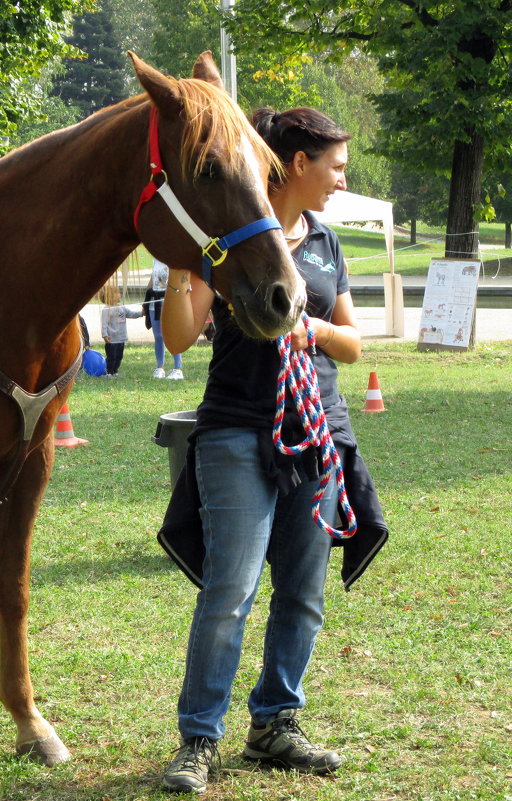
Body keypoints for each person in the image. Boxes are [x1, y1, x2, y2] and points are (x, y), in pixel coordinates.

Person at [158, 107, 387, 793]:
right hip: (235, 425)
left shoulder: (325, 244)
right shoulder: (226, 240)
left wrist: (307, 326)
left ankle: (275, 721)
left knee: (303, 591)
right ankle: (199, 735)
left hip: (317, 427)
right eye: (335, 167)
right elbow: (177, 335)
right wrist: (179, 265)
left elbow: (353, 344)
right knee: (230, 588)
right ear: (296, 163)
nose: (341, 181)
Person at [144, 259, 185, 379]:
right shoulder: (155, 261)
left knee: (172, 334)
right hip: (154, 302)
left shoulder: (172, 261)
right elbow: (153, 280)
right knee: (158, 336)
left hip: (168, 302)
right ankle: (160, 367)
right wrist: (145, 303)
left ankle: (177, 369)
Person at [100, 282, 142, 378]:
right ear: (109, 296)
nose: (120, 295)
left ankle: (115, 371)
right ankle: (108, 372)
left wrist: (141, 313)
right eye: (117, 293)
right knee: (112, 357)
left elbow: (131, 314)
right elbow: (104, 324)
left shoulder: (121, 307)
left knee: (119, 357)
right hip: (112, 339)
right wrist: (105, 335)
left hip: (121, 338)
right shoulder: (106, 309)